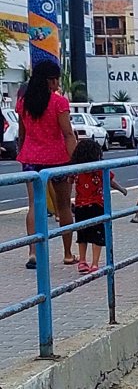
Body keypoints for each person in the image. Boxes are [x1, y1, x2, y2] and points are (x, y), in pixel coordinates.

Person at [16, 60, 77, 268]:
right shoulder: (59, 103)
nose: (58, 84)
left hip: (31, 159)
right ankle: (68, 253)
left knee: (34, 205)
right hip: (57, 159)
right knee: (63, 205)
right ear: (51, 81)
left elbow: (21, 134)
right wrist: (75, 162)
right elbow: (68, 133)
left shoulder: (23, 103)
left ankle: (33, 253)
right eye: (56, 80)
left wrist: (22, 154)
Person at [69, 139, 128, 274]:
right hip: (97, 204)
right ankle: (95, 263)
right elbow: (110, 181)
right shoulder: (100, 168)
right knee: (98, 235)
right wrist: (121, 189)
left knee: (82, 234)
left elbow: (69, 181)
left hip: (81, 205)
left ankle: (82, 261)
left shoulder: (75, 169)